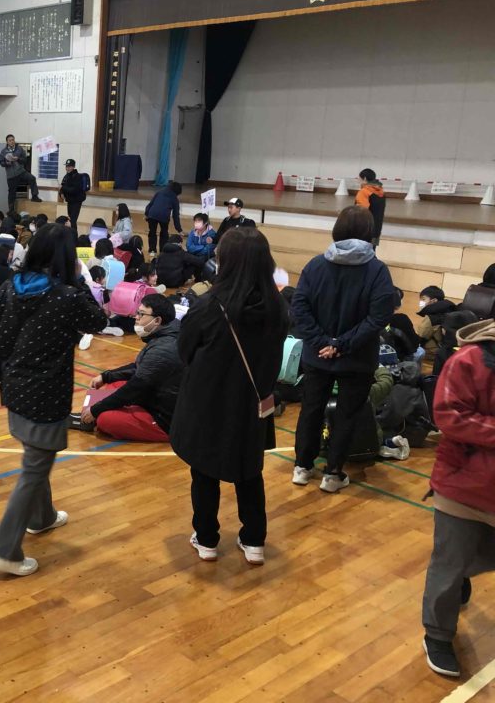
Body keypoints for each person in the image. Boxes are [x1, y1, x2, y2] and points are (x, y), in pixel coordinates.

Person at [0, 224, 108, 576]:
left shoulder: (10, 286)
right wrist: (79, 280)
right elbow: (99, 319)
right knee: (34, 467)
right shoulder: (66, 296)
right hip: (47, 394)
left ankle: (42, 517)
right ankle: (5, 551)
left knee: (35, 457)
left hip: (15, 388)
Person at [171, 227, 288, 565]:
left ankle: (206, 538)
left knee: (203, 472)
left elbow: (184, 351)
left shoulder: (209, 306)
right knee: (249, 470)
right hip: (253, 403)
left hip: (208, 403)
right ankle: (254, 541)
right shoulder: (278, 308)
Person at [291, 206, 395, 492]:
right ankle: (333, 474)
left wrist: (323, 343)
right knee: (348, 415)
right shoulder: (377, 271)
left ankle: (302, 467)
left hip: (318, 356)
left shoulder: (315, 265)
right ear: (369, 233)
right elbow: (378, 318)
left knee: (310, 410)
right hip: (356, 359)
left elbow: (299, 308)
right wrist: (340, 345)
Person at [421, 318, 495, 678]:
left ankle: (463, 572)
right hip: (463, 486)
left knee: (467, 561)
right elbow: (450, 415)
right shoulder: (470, 360)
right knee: (448, 565)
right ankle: (437, 635)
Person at [73, 293, 183, 441]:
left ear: (157, 320)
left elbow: (136, 386)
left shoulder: (164, 349)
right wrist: (106, 376)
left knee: (105, 419)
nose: (136, 317)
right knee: (114, 383)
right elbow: (140, 367)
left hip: (165, 418)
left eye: (141, 314)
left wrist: (96, 410)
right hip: (157, 396)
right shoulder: (166, 334)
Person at [0, 134, 39, 212]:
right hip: (11, 175)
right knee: (11, 193)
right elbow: (1, 163)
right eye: (10, 140)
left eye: (13, 140)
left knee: (32, 178)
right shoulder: (3, 151)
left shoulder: (20, 149)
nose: (12, 141)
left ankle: (34, 196)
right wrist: (7, 163)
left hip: (21, 172)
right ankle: (11, 210)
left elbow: (25, 160)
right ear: (7, 142)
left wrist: (18, 159)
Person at [143, 181, 182, 255]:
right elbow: (175, 215)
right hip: (164, 216)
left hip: (152, 214)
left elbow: (150, 204)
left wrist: (146, 213)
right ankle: (163, 251)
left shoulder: (159, 192)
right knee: (164, 234)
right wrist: (179, 229)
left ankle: (152, 251)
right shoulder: (174, 198)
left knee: (152, 233)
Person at [417, 286, 456, 354]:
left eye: (423, 299)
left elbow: (420, 337)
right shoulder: (449, 311)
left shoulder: (431, 318)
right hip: (449, 350)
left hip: (433, 352)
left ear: (434, 301)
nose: (421, 302)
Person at [356, 168, 386, 247]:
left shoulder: (364, 192)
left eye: (359, 178)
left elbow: (361, 211)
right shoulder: (381, 191)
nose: (358, 179)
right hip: (377, 229)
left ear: (365, 178)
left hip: (365, 230)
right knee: (372, 250)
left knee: (361, 251)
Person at [59, 159, 86, 235]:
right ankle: (72, 235)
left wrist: (63, 188)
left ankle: (74, 237)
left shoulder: (77, 177)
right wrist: (61, 193)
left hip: (76, 201)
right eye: (66, 166)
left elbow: (74, 190)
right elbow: (62, 187)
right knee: (71, 220)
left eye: (69, 166)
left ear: (73, 167)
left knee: (72, 221)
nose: (67, 168)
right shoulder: (66, 176)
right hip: (70, 201)